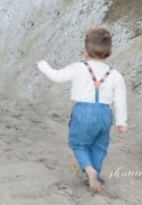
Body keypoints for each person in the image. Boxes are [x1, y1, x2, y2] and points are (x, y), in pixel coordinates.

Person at [39, 28, 127, 191]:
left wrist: (43, 65)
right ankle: (96, 175)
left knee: (79, 144)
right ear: (111, 52)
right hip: (104, 114)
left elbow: (57, 76)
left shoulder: (78, 68)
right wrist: (121, 121)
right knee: (99, 147)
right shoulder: (115, 75)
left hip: (82, 112)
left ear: (85, 52)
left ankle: (88, 169)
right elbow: (120, 100)